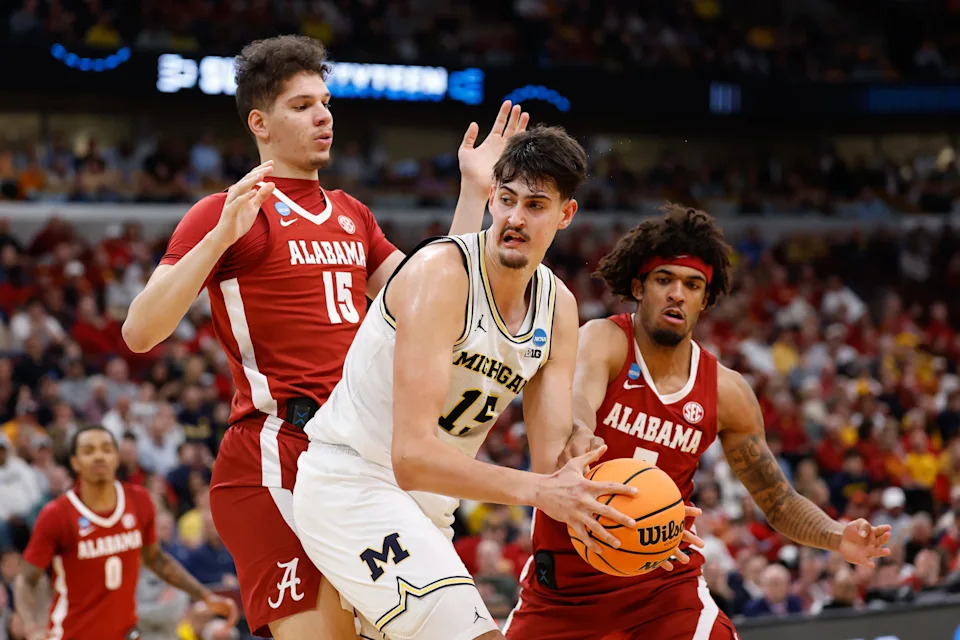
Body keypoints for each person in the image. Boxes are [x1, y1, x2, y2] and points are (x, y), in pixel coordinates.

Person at [122, 35, 528, 639]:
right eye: (302, 105)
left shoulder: (352, 212)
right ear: (259, 122)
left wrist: (475, 193)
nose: (323, 116)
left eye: (327, 102)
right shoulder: (229, 210)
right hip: (276, 450)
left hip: (354, 454)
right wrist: (217, 239)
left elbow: (439, 299)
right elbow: (139, 332)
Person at [291, 127, 698, 640]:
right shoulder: (442, 273)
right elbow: (411, 457)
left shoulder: (558, 305)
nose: (515, 218)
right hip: (353, 483)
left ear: (565, 215)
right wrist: (544, 491)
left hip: (429, 505)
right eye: (506, 200)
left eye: (535, 205)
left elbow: (553, 458)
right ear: (491, 198)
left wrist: (629, 512)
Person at [503, 205, 893, 640]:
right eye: (664, 280)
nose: (677, 294)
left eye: (692, 285)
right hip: (566, 593)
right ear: (639, 287)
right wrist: (578, 436)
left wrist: (838, 536)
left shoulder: (727, 391)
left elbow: (779, 501)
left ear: (705, 299)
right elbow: (579, 406)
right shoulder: (605, 340)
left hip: (665, 588)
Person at [14, 425, 238, 640]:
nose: (99, 456)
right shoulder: (57, 514)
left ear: (116, 457)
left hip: (126, 633)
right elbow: (26, 579)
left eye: (106, 449)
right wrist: (32, 626)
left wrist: (205, 596)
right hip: (72, 634)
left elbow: (157, 560)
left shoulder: (139, 500)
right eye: (89, 451)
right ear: (75, 462)